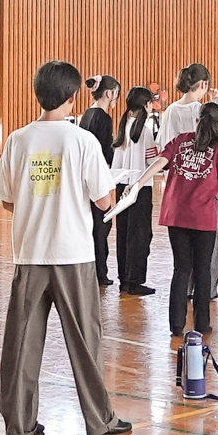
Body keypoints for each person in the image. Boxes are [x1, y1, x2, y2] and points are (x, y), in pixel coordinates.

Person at [0, 60, 133, 435]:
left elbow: (7, 200)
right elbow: (104, 200)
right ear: (73, 98)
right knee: (85, 341)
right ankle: (99, 420)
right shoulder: (82, 141)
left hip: (30, 253)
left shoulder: (18, 140)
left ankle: (19, 424)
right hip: (73, 254)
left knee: (21, 343)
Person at [151, 100, 218, 339]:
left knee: (180, 270)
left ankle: (176, 325)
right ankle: (202, 324)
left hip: (176, 215)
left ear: (197, 121)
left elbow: (160, 162)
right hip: (203, 218)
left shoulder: (181, 141)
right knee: (202, 271)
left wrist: (139, 182)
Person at [163, 64, 218, 296]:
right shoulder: (203, 111)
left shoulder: (170, 110)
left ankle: (185, 289)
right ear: (204, 85)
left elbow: (165, 147)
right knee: (210, 239)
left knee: (183, 245)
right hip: (206, 184)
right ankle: (205, 290)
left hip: (179, 185)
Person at [111, 85, 157, 296]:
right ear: (146, 105)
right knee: (140, 236)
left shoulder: (122, 129)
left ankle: (124, 278)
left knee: (124, 234)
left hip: (121, 186)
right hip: (140, 187)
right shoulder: (145, 133)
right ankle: (135, 280)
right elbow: (153, 161)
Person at [81, 76, 120, 288]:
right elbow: (105, 154)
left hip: (83, 179)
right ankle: (100, 274)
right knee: (101, 226)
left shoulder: (86, 115)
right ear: (109, 94)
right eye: (115, 94)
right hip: (97, 178)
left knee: (90, 227)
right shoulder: (104, 119)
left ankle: (90, 272)